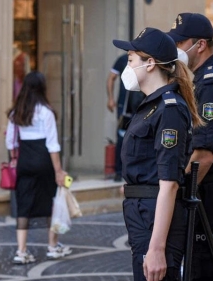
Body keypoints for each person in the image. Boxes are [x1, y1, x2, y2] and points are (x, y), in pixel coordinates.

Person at [113, 27, 203, 281]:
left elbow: (169, 184)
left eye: (131, 60)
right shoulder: (150, 105)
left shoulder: (169, 109)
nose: (127, 67)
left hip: (154, 216)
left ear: (150, 63)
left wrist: (156, 249)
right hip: (142, 212)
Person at [5, 71, 72, 264]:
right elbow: (53, 145)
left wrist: (14, 159)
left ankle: (21, 251)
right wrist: (58, 171)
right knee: (52, 203)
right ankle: (52, 246)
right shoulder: (46, 112)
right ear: (42, 88)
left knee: (23, 206)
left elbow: (11, 142)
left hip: (24, 161)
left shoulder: (16, 112)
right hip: (44, 162)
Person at [167, 12, 213, 281]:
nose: (176, 50)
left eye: (181, 44)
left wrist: (176, 195)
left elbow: (204, 156)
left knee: (200, 265)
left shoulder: (208, 83)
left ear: (201, 45)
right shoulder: (196, 78)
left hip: (206, 195)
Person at [107, 54, 144, 182]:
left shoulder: (145, 58)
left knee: (139, 138)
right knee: (122, 138)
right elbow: (111, 78)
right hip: (124, 107)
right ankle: (119, 171)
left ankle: (133, 171)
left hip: (140, 104)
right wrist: (111, 99)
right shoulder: (122, 59)